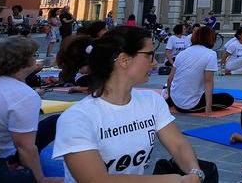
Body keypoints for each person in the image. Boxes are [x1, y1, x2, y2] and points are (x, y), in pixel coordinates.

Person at [53, 26, 205, 182]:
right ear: (124, 60)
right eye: (149, 56)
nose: (154, 64)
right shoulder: (77, 118)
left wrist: (195, 172)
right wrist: (175, 180)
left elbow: (178, 145)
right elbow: (97, 180)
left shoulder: (152, 101)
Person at [0, 37, 61, 182]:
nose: (35, 59)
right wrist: (40, 179)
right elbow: (25, 148)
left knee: (55, 121)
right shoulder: (24, 95)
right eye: (33, 55)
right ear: (24, 62)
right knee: (55, 123)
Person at [167, 26, 235, 114]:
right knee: (228, 98)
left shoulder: (182, 53)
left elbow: (170, 79)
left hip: (175, 100)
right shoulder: (210, 54)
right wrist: (208, 106)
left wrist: (170, 99)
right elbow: (208, 81)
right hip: (189, 105)